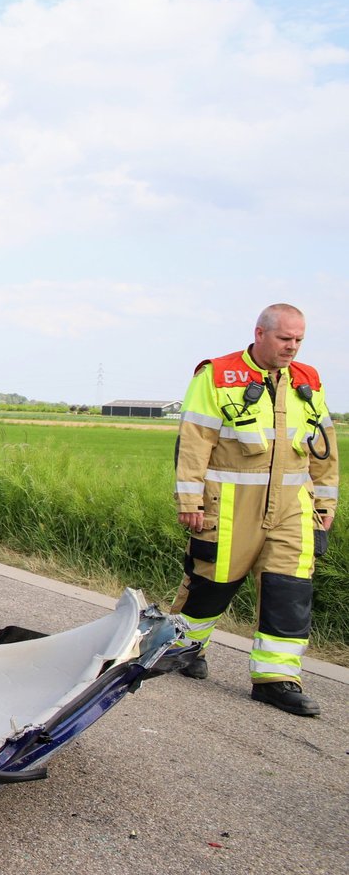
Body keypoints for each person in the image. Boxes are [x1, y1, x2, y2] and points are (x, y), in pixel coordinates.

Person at [170, 303, 338, 716]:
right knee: (213, 580)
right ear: (260, 333)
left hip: (293, 506)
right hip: (229, 504)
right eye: (285, 339)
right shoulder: (217, 375)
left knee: (291, 589)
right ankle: (184, 648)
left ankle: (277, 679)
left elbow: (324, 447)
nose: (292, 347)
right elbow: (194, 442)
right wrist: (189, 500)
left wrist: (325, 502)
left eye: (299, 339)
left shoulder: (309, 380)